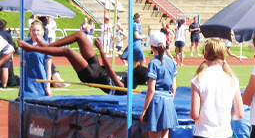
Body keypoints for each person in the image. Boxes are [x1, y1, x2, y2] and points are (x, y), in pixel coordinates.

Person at [19, 28, 149, 94]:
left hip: (91, 75)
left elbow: (111, 72)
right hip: (96, 67)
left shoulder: (127, 89)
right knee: (80, 35)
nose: (131, 69)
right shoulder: (131, 78)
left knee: (69, 52)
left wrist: (102, 52)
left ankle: (32, 49)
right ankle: (48, 46)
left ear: (136, 78)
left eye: (134, 70)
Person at [189, 39, 245, 138]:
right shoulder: (232, 79)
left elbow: (195, 113)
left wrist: (205, 115)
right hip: (223, 134)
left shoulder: (198, 79)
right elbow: (239, 113)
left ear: (205, 54)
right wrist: (223, 116)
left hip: (203, 134)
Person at [140, 32, 178, 138]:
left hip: (157, 102)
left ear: (151, 46)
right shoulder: (171, 62)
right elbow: (174, 87)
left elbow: (151, 89)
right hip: (168, 101)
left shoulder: (154, 63)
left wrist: (144, 110)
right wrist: (169, 100)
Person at [21, 20, 52, 97]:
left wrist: (48, 86)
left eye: (38, 30)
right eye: (33, 30)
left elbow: (48, 68)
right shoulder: (25, 44)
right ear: (30, 31)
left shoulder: (46, 45)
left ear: (42, 31)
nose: (35, 33)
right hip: (26, 82)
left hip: (40, 81)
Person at [0, 20, 16, 89]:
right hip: (7, 50)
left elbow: (11, 47)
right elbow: (11, 44)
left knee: (5, 68)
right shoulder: (6, 33)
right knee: (5, 68)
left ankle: (4, 85)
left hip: (6, 50)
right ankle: (4, 85)